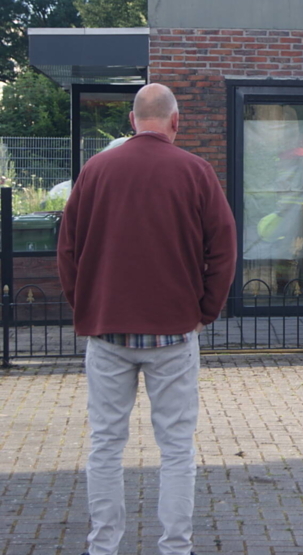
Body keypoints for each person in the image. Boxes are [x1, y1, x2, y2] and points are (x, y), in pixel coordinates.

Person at [57, 83, 236, 555]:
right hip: (174, 333)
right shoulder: (196, 172)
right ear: (175, 122)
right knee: (177, 448)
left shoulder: (95, 171)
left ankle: (103, 546)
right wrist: (204, 312)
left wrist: (87, 307)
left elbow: (68, 249)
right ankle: (175, 547)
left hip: (107, 329)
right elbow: (223, 249)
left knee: (105, 445)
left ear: (132, 121)